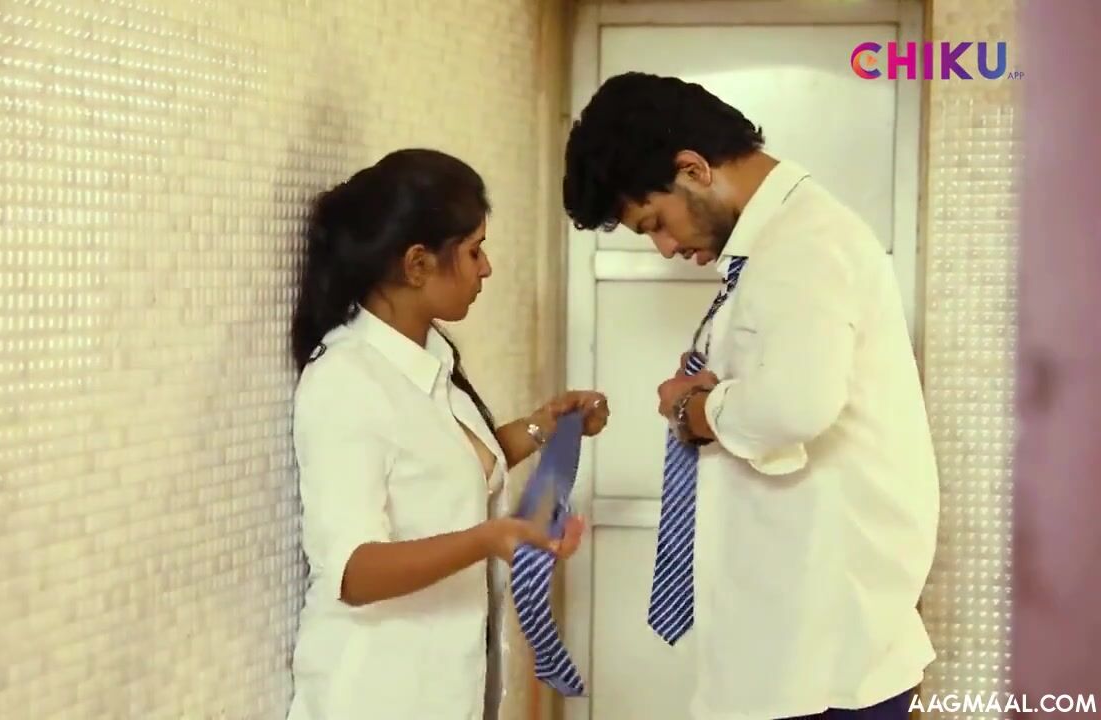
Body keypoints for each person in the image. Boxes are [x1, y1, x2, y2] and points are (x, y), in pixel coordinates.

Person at [561, 72, 940, 720]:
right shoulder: (775, 246)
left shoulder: (802, 245)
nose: (665, 248)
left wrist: (694, 411)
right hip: (796, 636)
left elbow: (795, 404)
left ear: (693, 169)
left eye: (655, 223)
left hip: (826, 649)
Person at [286, 148, 610, 720]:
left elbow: (450, 472)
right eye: (474, 250)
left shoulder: (428, 359)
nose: (487, 268)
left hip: (444, 687)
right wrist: (489, 538)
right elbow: (352, 571)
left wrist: (545, 426)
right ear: (417, 264)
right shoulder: (346, 380)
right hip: (375, 696)